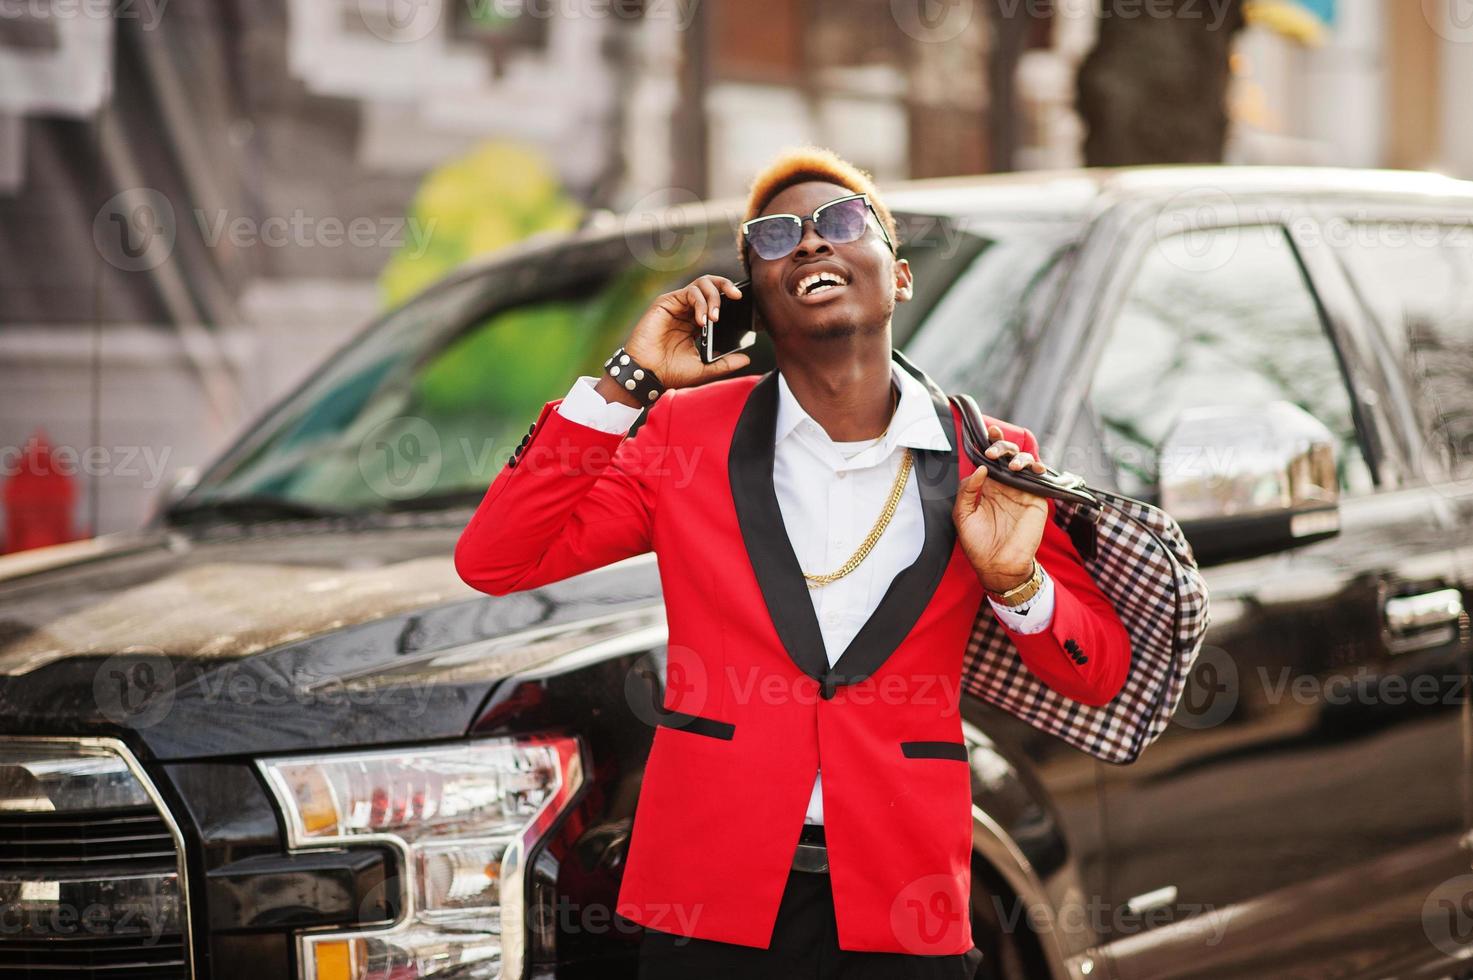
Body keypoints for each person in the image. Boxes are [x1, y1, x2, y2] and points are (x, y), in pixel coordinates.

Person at [454, 146, 1132, 979]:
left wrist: (1013, 581)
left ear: (900, 275)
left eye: (843, 223)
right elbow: (496, 559)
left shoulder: (987, 457)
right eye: (775, 236)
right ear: (756, 296)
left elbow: (1096, 672)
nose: (810, 244)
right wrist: (628, 383)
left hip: (902, 897)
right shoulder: (683, 437)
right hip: (709, 897)